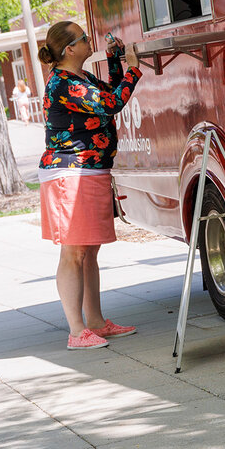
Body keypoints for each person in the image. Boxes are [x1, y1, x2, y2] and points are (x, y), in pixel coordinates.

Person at [37, 21, 142, 350]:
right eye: (84, 38)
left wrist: (115, 61)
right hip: (70, 173)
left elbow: (107, 94)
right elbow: (111, 105)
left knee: (89, 250)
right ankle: (76, 330)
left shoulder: (80, 78)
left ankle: (95, 322)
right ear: (70, 49)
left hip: (90, 170)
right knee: (74, 251)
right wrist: (134, 71)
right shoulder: (63, 83)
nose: (89, 41)